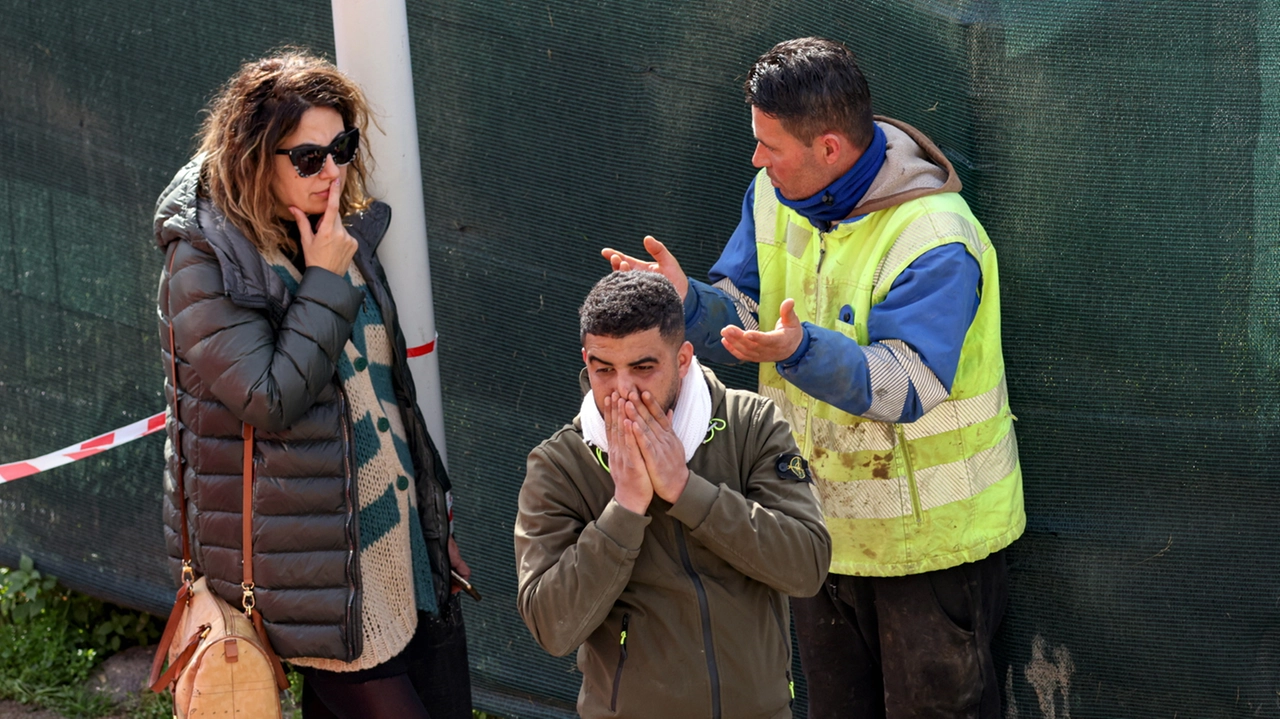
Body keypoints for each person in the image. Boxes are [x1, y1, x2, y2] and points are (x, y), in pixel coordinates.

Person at [602, 37, 1024, 719]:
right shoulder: (770, 194)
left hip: (935, 553)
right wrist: (685, 302)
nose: (755, 159)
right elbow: (743, 311)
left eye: (769, 145)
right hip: (819, 538)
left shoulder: (938, 237)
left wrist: (799, 350)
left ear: (828, 148)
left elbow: (905, 383)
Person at [154, 51, 471, 719]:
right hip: (308, 572)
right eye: (308, 158)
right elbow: (269, 398)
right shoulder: (205, 255)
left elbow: (387, 394)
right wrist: (326, 280)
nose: (333, 170)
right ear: (254, 158)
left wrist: (431, 522)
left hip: (389, 549)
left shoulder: (332, 227)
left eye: (343, 147)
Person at [514, 271, 831, 719]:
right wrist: (624, 509)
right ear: (586, 361)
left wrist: (686, 491)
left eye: (643, 367)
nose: (622, 390)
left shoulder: (751, 423)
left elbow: (807, 566)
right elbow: (551, 628)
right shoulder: (560, 463)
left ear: (683, 358)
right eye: (604, 370)